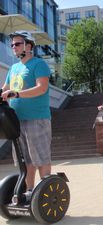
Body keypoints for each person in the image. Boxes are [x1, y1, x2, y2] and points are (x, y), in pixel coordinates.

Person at [1, 30, 52, 200]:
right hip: (17, 120)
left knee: (41, 158)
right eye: (12, 45)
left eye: (17, 44)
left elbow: (42, 88)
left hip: (37, 118)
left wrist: (17, 94)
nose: (13, 47)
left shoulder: (39, 64)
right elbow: (5, 88)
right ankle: (30, 192)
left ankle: (46, 194)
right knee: (26, 161)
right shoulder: (14, 68)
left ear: (29, 46)